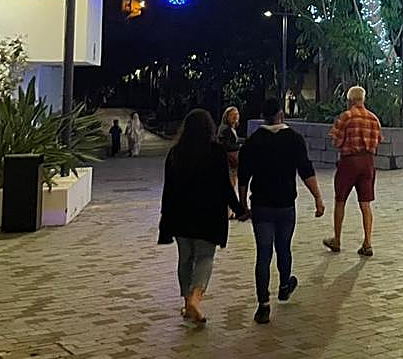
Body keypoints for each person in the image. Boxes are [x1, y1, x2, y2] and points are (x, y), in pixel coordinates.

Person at [238, 97, 325, 325]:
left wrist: (242, 205)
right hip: (286, 204)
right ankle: (285, 285)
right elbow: (306, 170)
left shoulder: (253, 141)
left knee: (263, 254)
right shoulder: (294, 139)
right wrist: (318, 198)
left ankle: (263, 305)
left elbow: (243, 176)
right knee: (284, 248)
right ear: (281, 114)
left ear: (263, 116)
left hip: (261, 205)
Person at [158, 109, 247, 325]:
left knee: (185, 258)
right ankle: (196, 299)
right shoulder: (216, 152)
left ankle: (187, 301)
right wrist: (240, 208)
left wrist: (165, 219)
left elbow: (168, 190)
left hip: (180, 216)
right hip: (208, 216)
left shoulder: (175, 153)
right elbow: (225, 187)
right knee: (205, 257)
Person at [324, 86, 383, 256]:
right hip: (368, 163)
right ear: (363, 99)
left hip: (349, 162)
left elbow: (336, 141)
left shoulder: (346, 117)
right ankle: (367, 242)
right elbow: (378, 140)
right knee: (365, 203)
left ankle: (337, 239)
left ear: (349, 100)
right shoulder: (373, 118)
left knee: (340, 199)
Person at [217, 107, 242, 187]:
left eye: (237, 114)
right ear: (226, 116)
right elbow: (227, 146)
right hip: (229, 160)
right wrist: (240, 146)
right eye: (232, 115)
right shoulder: (225, 129)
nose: (235, 116)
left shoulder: (230, 127)